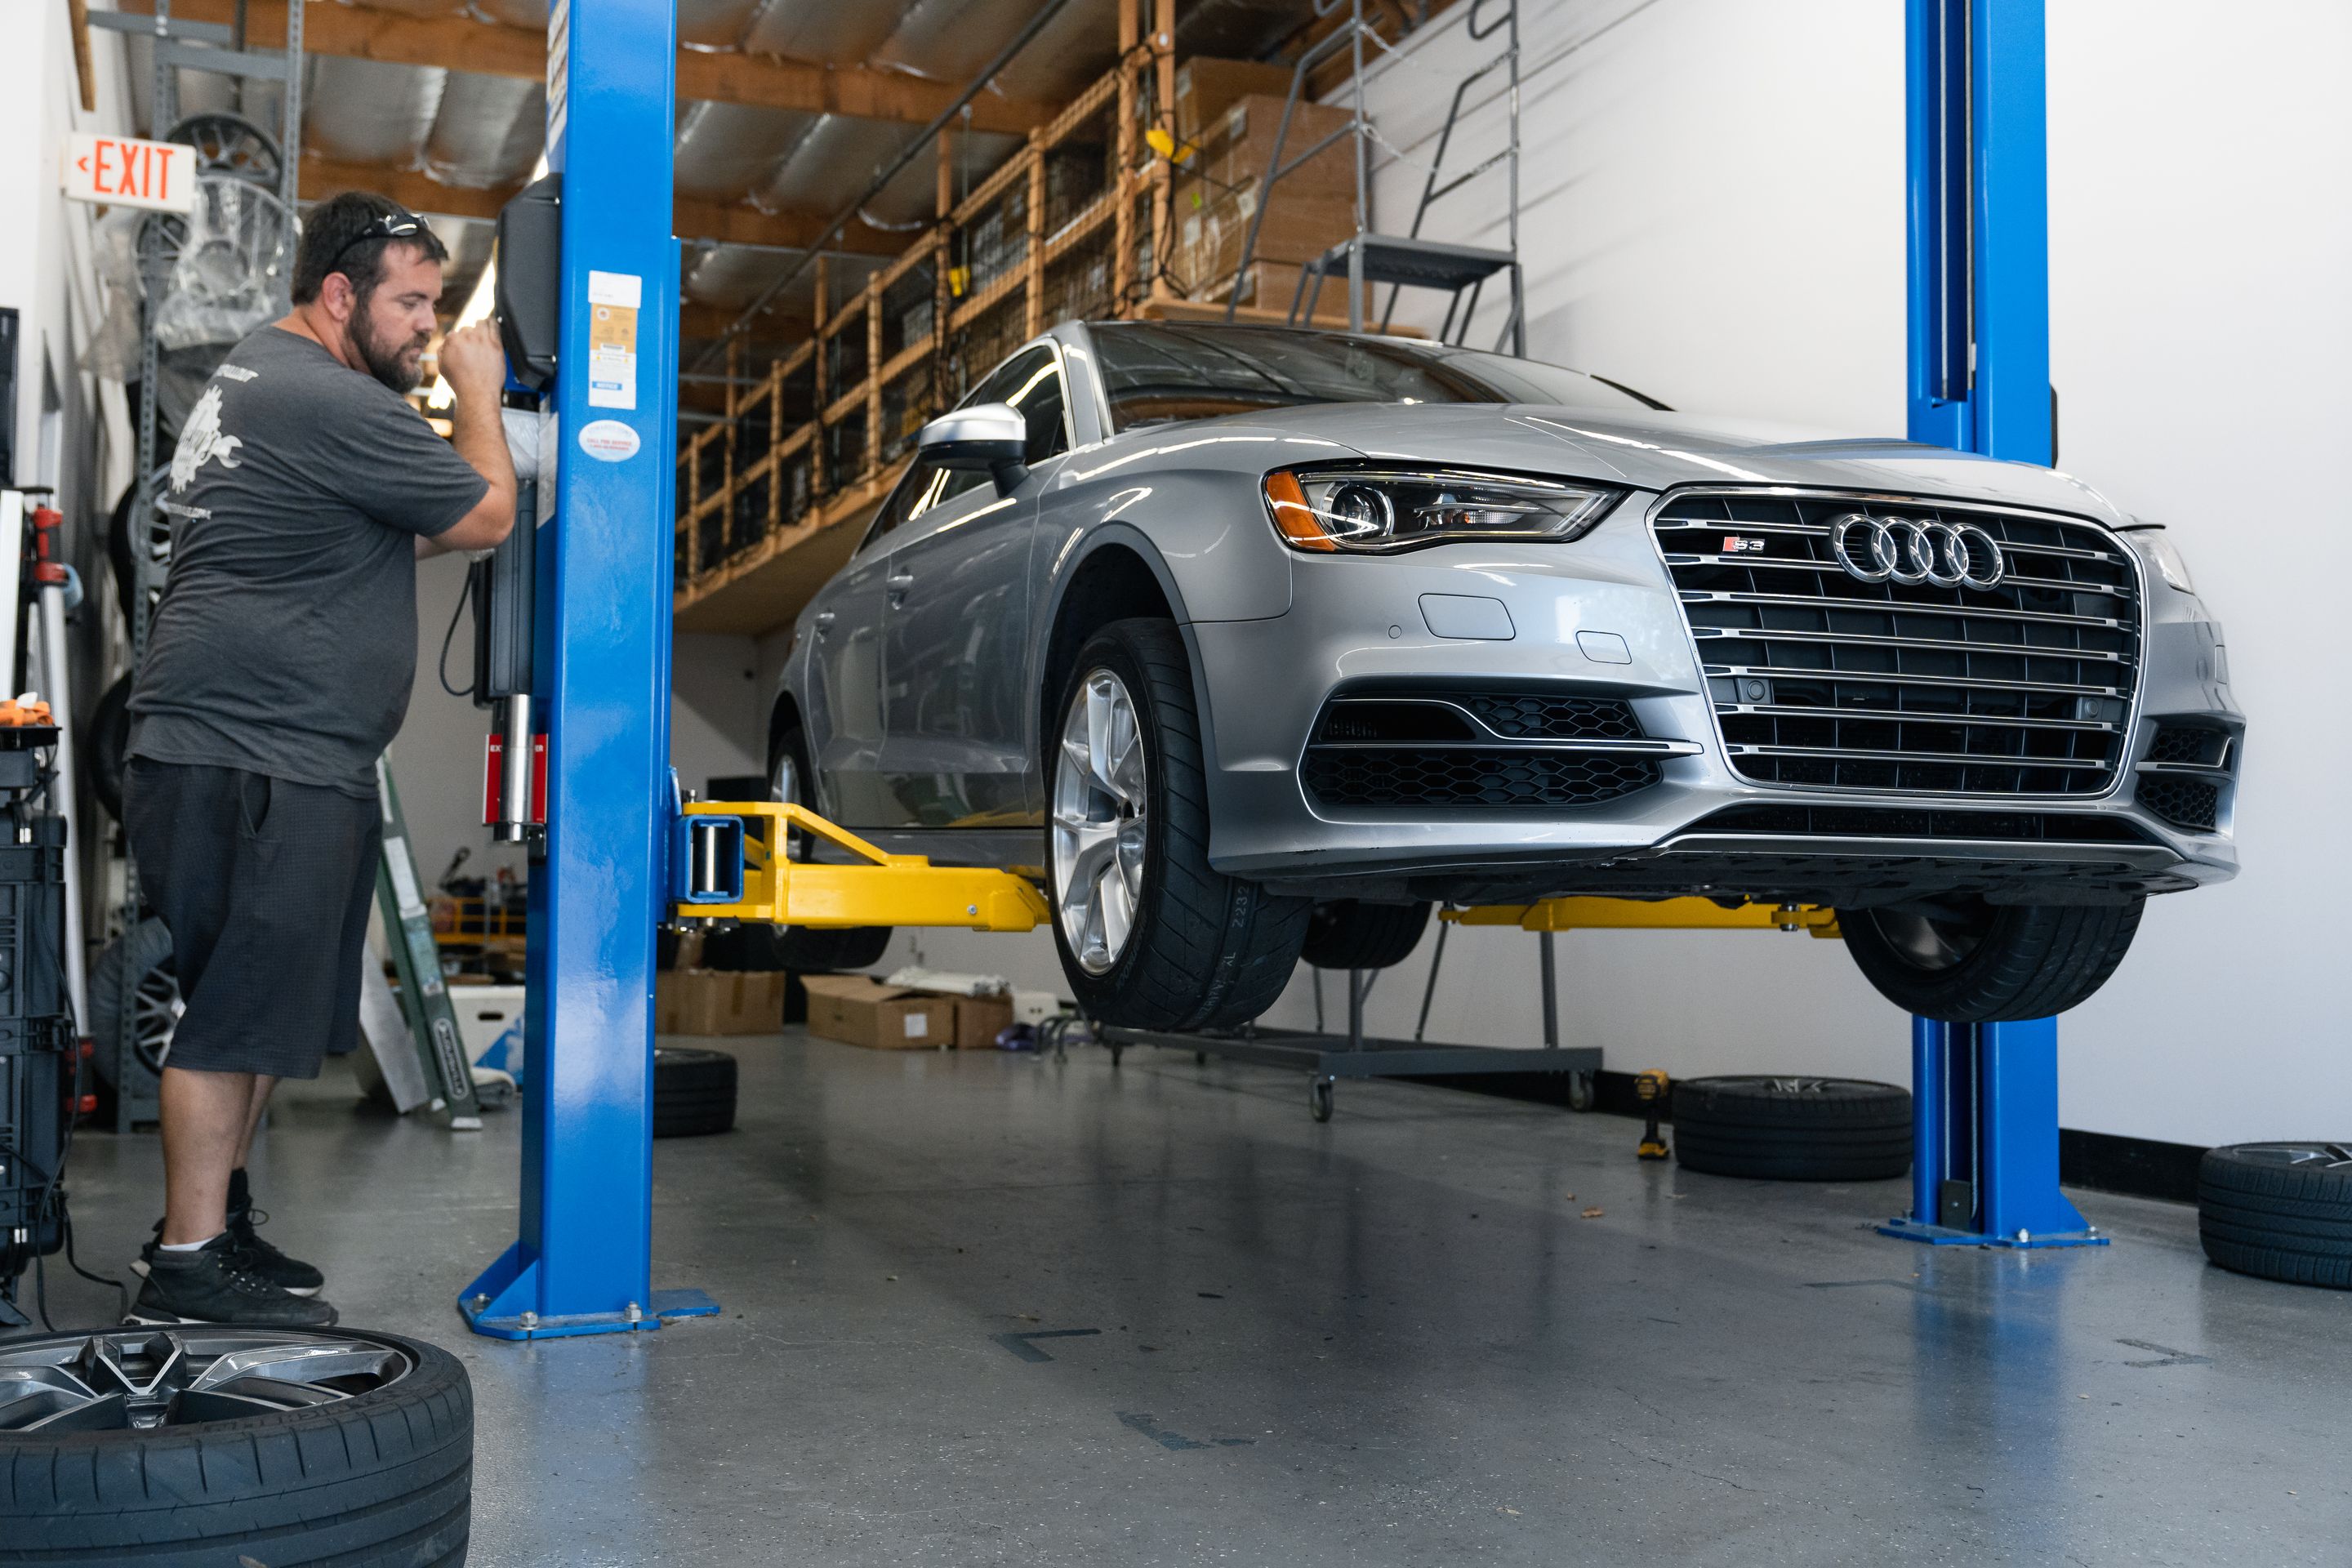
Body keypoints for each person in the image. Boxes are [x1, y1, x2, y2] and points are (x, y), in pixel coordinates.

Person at [122, 192, 517, 1327]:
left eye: (436, 307)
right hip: (262, 756)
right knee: (235, 1015)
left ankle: (214, 1226)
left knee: (244, 1005)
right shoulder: (328, 395)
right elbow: (484, 514)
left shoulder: (261, 376)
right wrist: (478, 397)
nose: (428, 329)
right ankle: (190, 1267)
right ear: (337, 296)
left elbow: (414, 522)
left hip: (238, 750)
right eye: (410, 304)